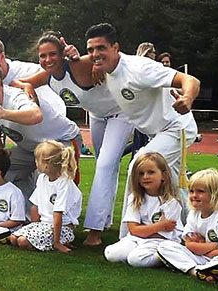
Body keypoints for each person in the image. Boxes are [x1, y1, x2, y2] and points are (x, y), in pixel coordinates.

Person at [10, 32, 135, 246]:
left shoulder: (79, 64)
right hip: (97, 115)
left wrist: (96, 64)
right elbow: (16, 82)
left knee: (105, 165)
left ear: (62, 55)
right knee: (106, 165)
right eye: (42, 56)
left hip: (120, 113)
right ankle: (104, 220)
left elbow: (115, 58)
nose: (47, 60)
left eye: (52, 54)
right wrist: (28, 86)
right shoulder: (47, 75)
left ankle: (94, 232)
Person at [78, 23, 199, 238]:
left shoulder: (139, 68)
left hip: (176, 128)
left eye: (101, 48)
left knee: (139, 165)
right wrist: (97, 64)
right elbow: (79, 64)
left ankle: (128, 237)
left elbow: (190, 80)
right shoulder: (106, 68)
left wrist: (187, 98)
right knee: (175, 186)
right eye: (90, 50)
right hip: (159, 132)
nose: (95, 55)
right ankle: (198, 228)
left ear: (115, 48)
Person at [0, 63, 80, 212]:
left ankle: (55, 222)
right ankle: (15, 215)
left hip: (60, 142)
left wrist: (4, 113)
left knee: (47, 181)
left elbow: (36, 115)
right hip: (29, 149)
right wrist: (0, 149)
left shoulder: (16, 96)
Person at [157, 169, 218, 283]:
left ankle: (215, 271)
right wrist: (214, 245)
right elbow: (189, 244)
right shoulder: (194, 214)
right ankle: (197, 271)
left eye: (200, 191)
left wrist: (203, 247)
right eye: (191, 191)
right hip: (206, 258)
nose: (194, 195)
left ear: (215, 194)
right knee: (164, 247)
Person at [104, 152, 183, 267]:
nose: (145, 177)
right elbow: (133, 229)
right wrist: (158, 226)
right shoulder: (135, 198)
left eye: (151, 172)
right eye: (141, 174)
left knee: (135, 260)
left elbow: (163, 234)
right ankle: (140, 251)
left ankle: (166, 256)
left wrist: (144, 230)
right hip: (136, 238)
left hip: (161, 242)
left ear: (164, 175)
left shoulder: (171, 202)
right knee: (111, 254)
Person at [10, 140, 82, 253]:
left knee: (23, 242)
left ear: (47, 165)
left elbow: (58, 214)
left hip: (62, 227)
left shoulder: (64, 183)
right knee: (14, 238)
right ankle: (43, 241)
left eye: (37, 160)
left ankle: (60, 241)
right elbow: (35, 206)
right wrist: (34, 227)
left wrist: (56, 242)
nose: (35, 162)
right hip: (44, 225)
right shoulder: (42, 178)